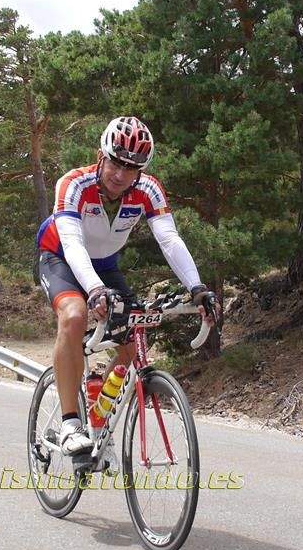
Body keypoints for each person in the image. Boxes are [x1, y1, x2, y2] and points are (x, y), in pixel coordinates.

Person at [36, 116, 216, 455]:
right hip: (60, 255)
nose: (121, 175)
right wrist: (93, 291)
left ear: (141, 170)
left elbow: (170, 240)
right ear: (101, 155)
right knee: (74, 317)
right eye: (116, 163)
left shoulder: (148, 189)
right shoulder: (74, 183)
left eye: (131, 168)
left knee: (134, 336)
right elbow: (73, 245)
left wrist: (197, 287)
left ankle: (99, 406)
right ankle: (71, 423)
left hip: (104, 264)